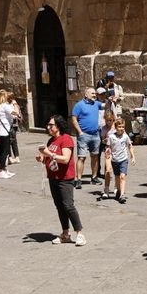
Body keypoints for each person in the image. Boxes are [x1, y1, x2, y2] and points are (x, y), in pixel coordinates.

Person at [36, 114, 86, 246]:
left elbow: (65, 158)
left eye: (51, 125)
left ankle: (80, 233)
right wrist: (42, 157)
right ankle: (65, 233)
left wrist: (49, 154)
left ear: (58, 126)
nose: (48, 127)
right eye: (48, 125)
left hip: (65, 178)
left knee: (68, 206)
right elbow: (49, 157)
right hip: (53, 177)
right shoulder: (51, 141)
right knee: (59, 207)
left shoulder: (66, 139)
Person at [70, 87, 104, 189]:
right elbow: (74, 119)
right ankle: (78, 179)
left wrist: (112, 101)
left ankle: (94, 177)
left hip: (95, 134)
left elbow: (105, 106)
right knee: (81, 157)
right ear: (86, 94)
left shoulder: (96, 104)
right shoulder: (79, 105)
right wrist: (80, 132)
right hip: (84, 135)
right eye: (92, 93)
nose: (94, 95)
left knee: (95, 156)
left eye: (95, 94)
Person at [103, 118, 135, 203]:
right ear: (116, 127)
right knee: (117, 177)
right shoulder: (111, 137)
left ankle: (122, 195)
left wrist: (132, 156)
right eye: (119, 127)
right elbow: (108, 148)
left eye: (123, 127)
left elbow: (130, 146)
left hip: (123, 159)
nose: (121, 128)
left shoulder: (125, 136)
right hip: (114, 160)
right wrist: (107, 155)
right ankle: (119, 190)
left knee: (122, 176)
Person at [0, 90, 18, 179]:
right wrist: (15, 104)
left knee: (3, 150)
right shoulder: (5, 106)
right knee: (5, 151)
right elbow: (16, 113)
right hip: (4, 130)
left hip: (0, 129)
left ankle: (4, 169)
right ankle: (2, 170)